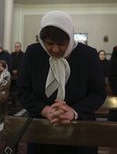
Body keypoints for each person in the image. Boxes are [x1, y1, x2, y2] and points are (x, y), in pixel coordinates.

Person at [16, 11, 106, 154]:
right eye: (49, 44)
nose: (55, 49)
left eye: (61, 44)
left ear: (70, 39)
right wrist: (46, 110)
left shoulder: (88, 55)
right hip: (42, 126)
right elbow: (22, 90)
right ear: (42, 39)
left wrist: (73, 112)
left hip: (80, 128)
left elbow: (98, 92)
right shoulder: (34, 52)